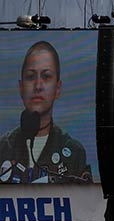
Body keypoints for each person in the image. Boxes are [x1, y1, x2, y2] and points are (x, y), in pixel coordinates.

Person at [0, 41, 91, 184]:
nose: (38, 86)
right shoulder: (4, 147)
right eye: (30, 77)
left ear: (58, 88)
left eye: (46, 76)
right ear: (21, 87)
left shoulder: (73, 151)